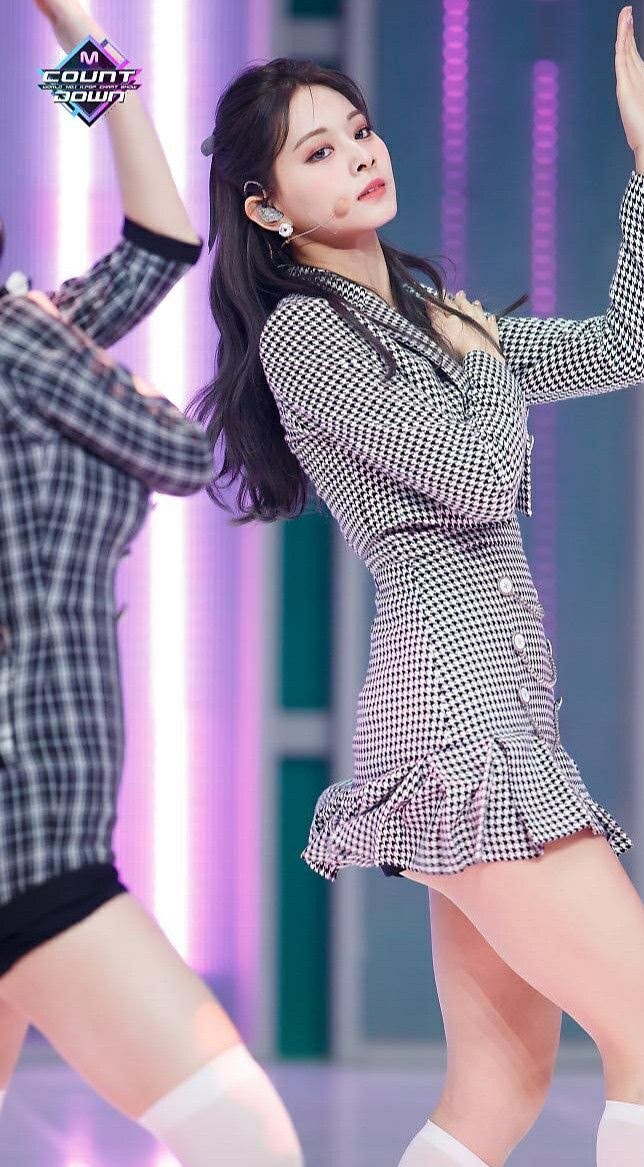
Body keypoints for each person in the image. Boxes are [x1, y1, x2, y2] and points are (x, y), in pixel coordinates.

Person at [193, 6, 644, 1166]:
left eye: (358, 130)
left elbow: (626, 347)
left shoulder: (426, 320)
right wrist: (481, 366)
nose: (359, 154)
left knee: (499, 1087)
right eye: (318, 149)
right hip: (456, 723)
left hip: (487, 713)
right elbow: (476, 476)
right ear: (266, 208)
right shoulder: (306, 337)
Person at [0, 3, 304, 1165]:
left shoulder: (30, 340)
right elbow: (179, 452)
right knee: (243, 1136)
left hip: (43, 816)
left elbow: (157, 243)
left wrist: (76, 35)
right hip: (30, 833)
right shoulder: (20, 344)